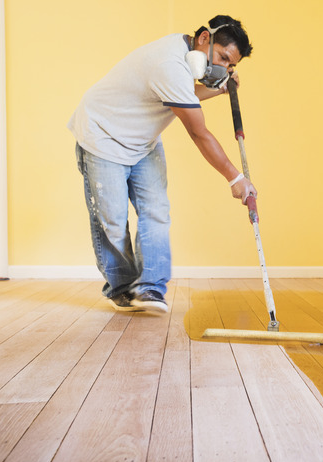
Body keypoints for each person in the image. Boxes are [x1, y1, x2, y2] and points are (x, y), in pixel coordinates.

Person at [69, 15, 256, 313]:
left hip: (142, 140)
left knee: (156, 211)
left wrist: (221, 88)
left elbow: (183, 95)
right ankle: (122, 288)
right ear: (205, 39)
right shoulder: (168, 63)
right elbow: (199, 133)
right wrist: (236, 179)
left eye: (230, 65)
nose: (224, 68)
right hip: (103, 134)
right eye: (222, 58)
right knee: (112, 220)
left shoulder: (182, 61)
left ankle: (151, 289)